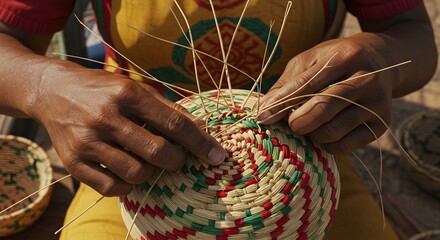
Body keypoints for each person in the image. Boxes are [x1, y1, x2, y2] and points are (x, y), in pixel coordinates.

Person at [0, 0, 437, 239]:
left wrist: (382, 57)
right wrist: (42, 85)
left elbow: (411, 30)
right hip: (136, 176)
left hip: (311, 174)